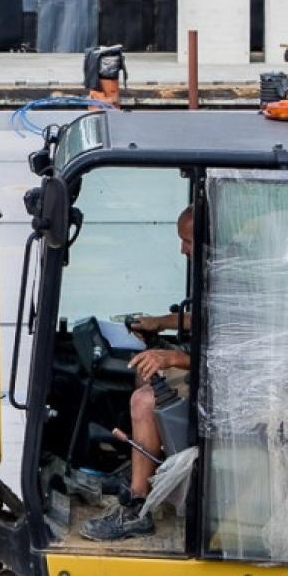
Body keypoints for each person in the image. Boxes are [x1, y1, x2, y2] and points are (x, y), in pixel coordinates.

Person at [85, 205, 193, 541]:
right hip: (213, 374)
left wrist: (173, 357)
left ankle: (137, 507)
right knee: (144, 371)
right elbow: (203, 320)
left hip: (230, 388)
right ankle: (143, 469)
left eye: (187, 240)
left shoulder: (233, 276)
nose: (182, 249)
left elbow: (228, 347)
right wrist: (159, 323)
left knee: (145, 401)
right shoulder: (215, 270)